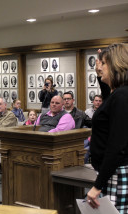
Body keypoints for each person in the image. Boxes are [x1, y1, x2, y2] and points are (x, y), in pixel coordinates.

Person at [87, 43, 128, 213]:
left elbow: (117, 146)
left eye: (103, 63)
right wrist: (99, 75)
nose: (100, 67)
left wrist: (97, 186)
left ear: (114, 65)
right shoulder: (119, 94)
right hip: (112, 172)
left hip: (116, 173)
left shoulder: (122, 95)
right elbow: (108, 101)